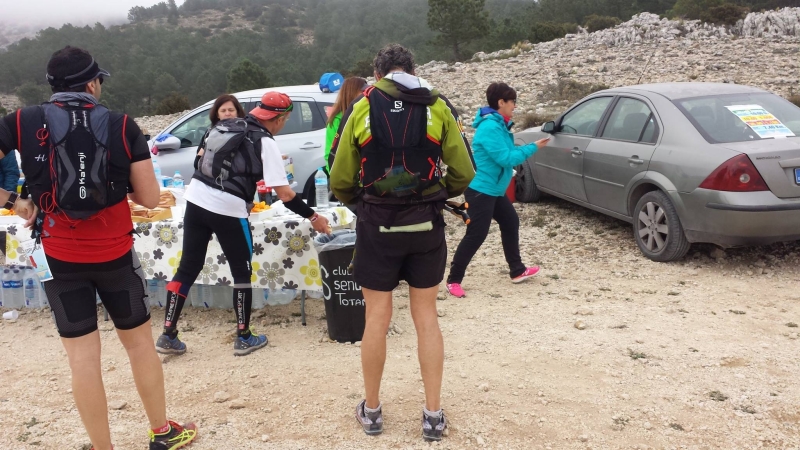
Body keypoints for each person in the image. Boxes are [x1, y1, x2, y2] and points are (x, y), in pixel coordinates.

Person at [0, 46, 197, 450]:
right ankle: (162, 432)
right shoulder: (122, 125)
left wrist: (16, 202)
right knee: (139, 345)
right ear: (91, 84)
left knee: (82, 360)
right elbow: (148, 197)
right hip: (115, 257)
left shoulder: (22, 121)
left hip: (59, 258)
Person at [329, 43, 475, 442]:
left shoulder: (362, 106)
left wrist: (364, 203)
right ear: (413, 70)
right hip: (425, 226)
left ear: (377, 75)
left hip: (377, 226)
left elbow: (339, 179)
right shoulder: (437, 105)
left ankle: (373, 411)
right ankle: (433, 415)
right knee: (426, 317)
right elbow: (464, 172)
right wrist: (436, 193)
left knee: (377, 318)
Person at [156, 91, 331, 357]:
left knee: (187, 267)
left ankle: (168, 334)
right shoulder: (265, 141)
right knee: (241, 271)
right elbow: (285, 194)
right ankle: (244, 336)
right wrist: (313, 217)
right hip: (228, 208)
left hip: (195, 200)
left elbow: (198, 162)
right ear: (281, 119)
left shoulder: (224, 126)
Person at [445, 82, 551, 298]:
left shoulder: (500, 125)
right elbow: (506, 158)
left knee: (510, 222)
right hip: (481, 190)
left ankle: (517, 270)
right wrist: (534, 147)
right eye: (512, 101)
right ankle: (453, 280)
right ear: (501, 102)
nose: (515, 106)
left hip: (493, 189)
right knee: (476, 234)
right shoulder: (490, 128)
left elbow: (507, 153)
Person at [324, 76, 366, 172]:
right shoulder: (336, 120)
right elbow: (330, 154)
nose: (366, 95)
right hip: (346, 175)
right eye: (363, 91)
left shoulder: (367, 114)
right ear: (352, 93)